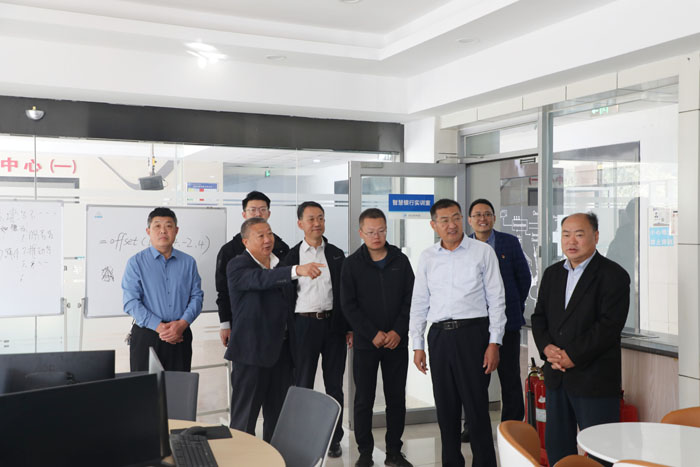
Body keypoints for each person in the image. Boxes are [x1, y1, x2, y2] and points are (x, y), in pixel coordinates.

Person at [410, 198, 506, 467]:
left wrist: (494, 342)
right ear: (434, 225)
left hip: (473, 335)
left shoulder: (482, 252)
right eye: (444, 220)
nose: (451, 225)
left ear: (463, 219)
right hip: (439, 337)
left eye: (455, 218)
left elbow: (497, 299)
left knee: (476, 408)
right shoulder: (428, 257)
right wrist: (417, 344)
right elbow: (419, 302)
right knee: (446, 408)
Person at [531, 212, 630, 466]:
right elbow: (539, 317)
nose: (571, 241)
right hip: (556, 377)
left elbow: (608, 327)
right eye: (566, 235)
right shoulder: (552, 274)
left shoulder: (613, 275)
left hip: (593, 380)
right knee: (558, 448)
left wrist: (571, 356)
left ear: (595, 236)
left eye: (579, 234)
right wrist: (547, 348)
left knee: (601, 452)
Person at [225, 217, 324, 442]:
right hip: (251, 355)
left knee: (278, 418)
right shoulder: (238, 265)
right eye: (260, 236)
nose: (267, 239)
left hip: (282, 354)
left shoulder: (279, 265)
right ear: (246, 241)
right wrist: (297, 269)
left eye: (269, 233)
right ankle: (240, 457)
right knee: (244, 419)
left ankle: (274, 457)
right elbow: (260, 279)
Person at [341, 208, 414, 467]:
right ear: (361, 233)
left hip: (397, 342)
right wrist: (371, 333)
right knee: (364, 399)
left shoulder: (400, 261)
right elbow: (348, 305)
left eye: (381, 231)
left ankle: (394, 451)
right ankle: (365, 452)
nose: (376, 236)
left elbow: (411, 299)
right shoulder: (352, 264)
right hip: (366, 343)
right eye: (371, 232)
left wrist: (398, 331)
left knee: (396, 398)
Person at [281, 201, 350, 458]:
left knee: (335, 386)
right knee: (303, 384)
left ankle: (334, 438)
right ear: (300, 223)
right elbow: (284, 296)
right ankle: (302, 438)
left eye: (320, 218)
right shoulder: (292, 257)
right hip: (303, 326)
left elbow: (345, 294)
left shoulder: (336, 254)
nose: (317, 223)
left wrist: (348, 327)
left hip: (333, 326)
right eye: (311, 219)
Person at [461, 198, 531, 442]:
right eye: (478, 215)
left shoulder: (508, 243)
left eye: (487, 214)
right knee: (475, 379)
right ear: (470, 220)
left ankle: (511, 429)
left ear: (493, 217)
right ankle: (473, 426)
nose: (483, 219)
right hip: (475, 325)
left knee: (509, 377)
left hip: (507, 324)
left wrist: (514, 305)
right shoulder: (464, 246)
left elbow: (524, 278)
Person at [122, 207, 203, 372]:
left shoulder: (188, 262)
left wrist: (182, 324)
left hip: (180, 334)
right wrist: (160, 327)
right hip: (147, 334)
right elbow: (131, 302)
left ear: (176, 230)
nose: (163, 231)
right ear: (148, 231)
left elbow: (197, 297)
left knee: (179, 386)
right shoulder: (136, 263)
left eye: (168, 226)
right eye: (157, 226)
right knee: (145, 386)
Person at [215, 191, 289, 347]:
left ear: (269, 213)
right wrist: (225, 324)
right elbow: (223, 290)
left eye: (262, 209)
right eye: (253, 210)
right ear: (244, 214)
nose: (258, 214)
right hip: (244, 322)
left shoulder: (281, 247)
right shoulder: (229, 250)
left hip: (277, 323)